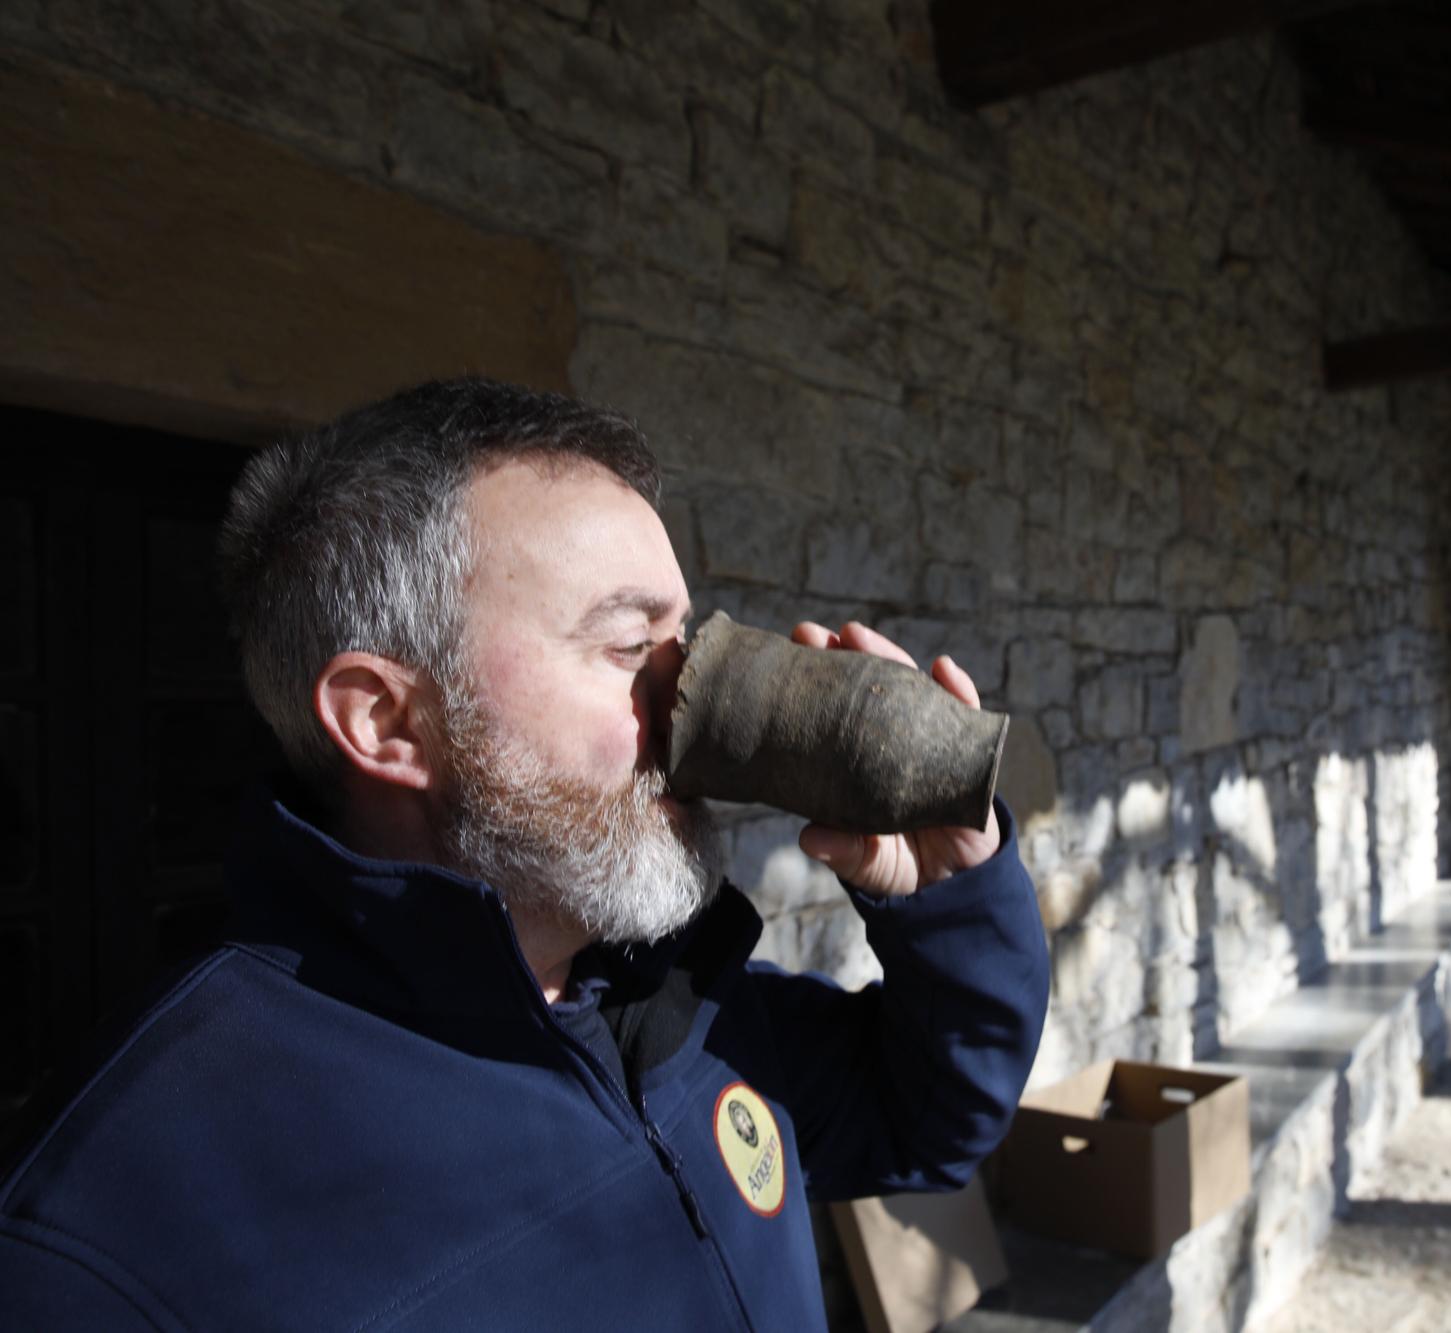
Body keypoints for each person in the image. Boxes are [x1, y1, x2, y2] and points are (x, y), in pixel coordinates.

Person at [0, 378, 1050, 1330]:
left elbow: (930, 1119)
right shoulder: (123, 1229)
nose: (691, 701)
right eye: (631, 648)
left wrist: (953, 890)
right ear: (387, 723)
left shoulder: (671, 1004)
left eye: (686, 640)